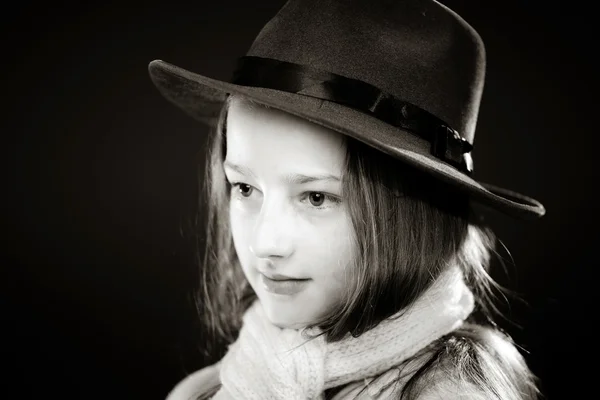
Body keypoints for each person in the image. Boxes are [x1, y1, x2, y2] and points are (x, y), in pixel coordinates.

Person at [148, 0, 546, 398]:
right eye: (245, 189)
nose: (264, 243)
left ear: (409, 214)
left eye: (316, 197)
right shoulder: (207, 390)